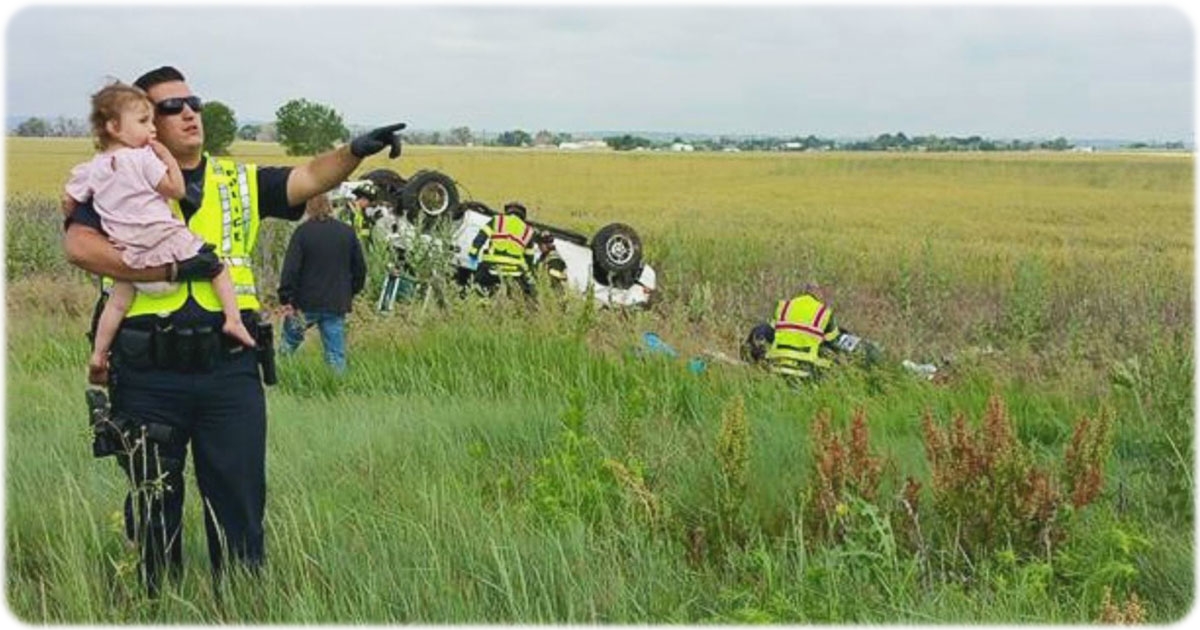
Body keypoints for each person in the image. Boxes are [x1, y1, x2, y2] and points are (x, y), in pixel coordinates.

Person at [62, 65, 405, 595]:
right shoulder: (116, 175)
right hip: (149, 372)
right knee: (153, 502)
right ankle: (156, 604)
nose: (189, 112)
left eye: (193, 102)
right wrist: (169, 271)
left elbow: (311, 176)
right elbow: (80, 247)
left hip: (230, 368)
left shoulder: (237, 181)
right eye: (171, 107)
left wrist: (355, 150)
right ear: (144, 122)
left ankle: (240, 604)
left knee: (240, 500)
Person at [66, 82, 256, 386]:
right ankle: (234, 321)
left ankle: (99, 354)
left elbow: (69, 200)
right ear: (115, 127)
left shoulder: (92, 168)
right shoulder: (143, 159)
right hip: (164, 241)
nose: (151, 129)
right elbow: (176, 189)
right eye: (143, 122)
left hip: (130, 254)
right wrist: (166, 157)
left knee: (116, 303)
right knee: (216, 266)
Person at [278, 193, 367, 374]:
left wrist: (286, 298)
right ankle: (336, 390)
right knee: (335, 354)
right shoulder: (346, 233)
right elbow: (360, 269)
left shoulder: (302, 233)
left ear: (308, 208)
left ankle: (279, 380)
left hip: (304, 303)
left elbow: (291, 269)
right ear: (329, 206)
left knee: (288, 346)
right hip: (336, 302)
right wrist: (350, 291)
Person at [756, 282, 843, 380]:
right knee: (829, 358)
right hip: (806, 369)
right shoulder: (824, 313)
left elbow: (769, 334)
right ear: (819, 295)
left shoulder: (783, 306)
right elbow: (833, 342)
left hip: (777, 365)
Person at [464, 201, 538, 297]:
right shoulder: (528, 231)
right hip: (514, 272)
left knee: (478, 288)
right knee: (517, 297)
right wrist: (528, 276)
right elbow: (529, 257)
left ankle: (481, 304)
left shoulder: (497, 220)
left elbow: (480, 238)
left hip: (491, 267)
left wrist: (473, 254)